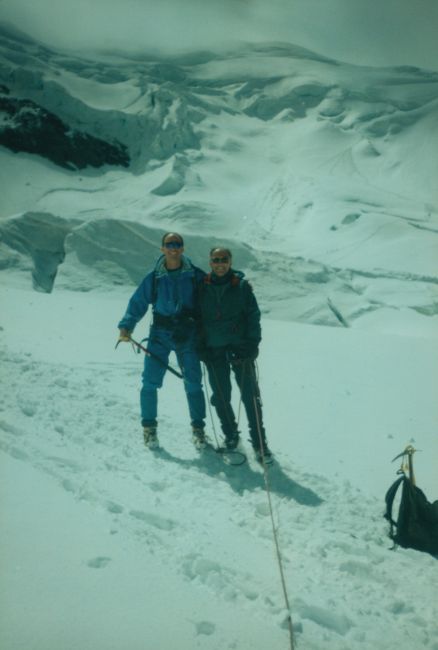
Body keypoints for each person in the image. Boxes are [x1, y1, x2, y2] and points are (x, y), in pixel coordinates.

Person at [117, 232, 206, 450]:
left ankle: (199, 430)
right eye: (169, 244)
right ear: (162, 249)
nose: (173, 248)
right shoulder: (154, 278)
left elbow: (213, 296)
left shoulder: (195, 276)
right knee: (150, 382)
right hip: (160, 335)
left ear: (183, 248)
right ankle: (149, 430)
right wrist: (126, 326)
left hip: (188, 335)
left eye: (177, 244)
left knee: (193, 382)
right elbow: (138, 302)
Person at [197, 247, 273, 464]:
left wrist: (252, 344)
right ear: (210, 262)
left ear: (230, 262)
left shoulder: (241, 287)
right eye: (216, 260)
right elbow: (198, 318)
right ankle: (231, 435)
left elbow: (253, 317)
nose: (220, 263)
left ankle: (260, 443)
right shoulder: (202, 287)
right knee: (221, 397)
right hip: (214, 350)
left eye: (224, 259)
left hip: (240, 350)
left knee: (250, 397)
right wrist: (200, 344)